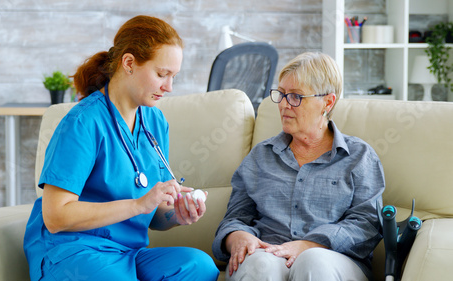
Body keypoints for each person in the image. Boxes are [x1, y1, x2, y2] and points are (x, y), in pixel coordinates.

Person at [24, 15, 219, 281]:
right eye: (162, 74)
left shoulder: (154, 121)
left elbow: (153, 216)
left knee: (199, 265)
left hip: (128, 252)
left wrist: (176, 214)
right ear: (128, 63)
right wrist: (139, 205)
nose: (169, 87)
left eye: (173, 76)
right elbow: (56, 216)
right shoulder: (83, 123)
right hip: (74, 251)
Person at [212, 52, 385, 281]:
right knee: (260, 265)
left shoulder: (359, 157)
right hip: (269, 253)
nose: (283, 104)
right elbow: (236, 217)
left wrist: (308, 245)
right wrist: (238, 236)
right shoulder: (261, 156)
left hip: (332, 258)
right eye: (281, 94)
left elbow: (367, 225)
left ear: (328, 101)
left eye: (295, 96)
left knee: (313, 260)